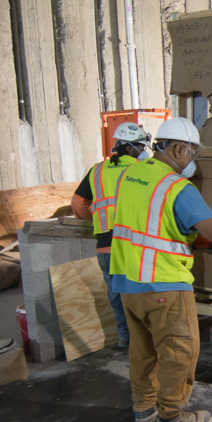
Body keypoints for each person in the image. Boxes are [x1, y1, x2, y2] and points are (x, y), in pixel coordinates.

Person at [109, 116, 212, 422]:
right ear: (178, 148)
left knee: (143, 350)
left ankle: (144, 408)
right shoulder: (175, 186)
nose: (192, 160)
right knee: (180, 350)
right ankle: (171, 418)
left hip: (127, 282)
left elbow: (151, 224)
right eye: (192, 153)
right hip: (164, 284)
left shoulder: (131, 175)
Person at [71, 122, 150, 349]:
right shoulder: (141, 170)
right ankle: (144, 340)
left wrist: (95, 218)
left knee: (116, 293)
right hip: (134, 244)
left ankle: (125, 338)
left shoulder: (97, 170)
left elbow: (77, 204)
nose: (143, 151)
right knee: (140, 292)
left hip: (106, 245)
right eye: (141, 146)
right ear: (130, 148)